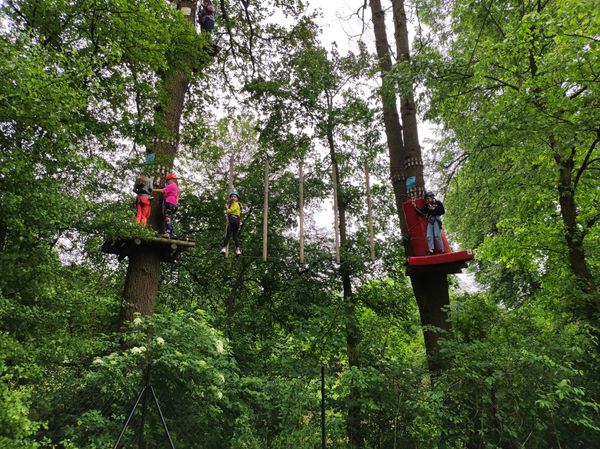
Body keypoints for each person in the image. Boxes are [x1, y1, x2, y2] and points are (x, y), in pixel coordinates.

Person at [153, 173, 179, 238]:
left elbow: (163, 190)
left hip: (170, 202)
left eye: (167, 180)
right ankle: (173, 234)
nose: (167, 182)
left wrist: (153, 190)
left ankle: (168, 232)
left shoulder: (172, 185)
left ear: (171, 179)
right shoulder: (175, 186)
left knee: (168, 218)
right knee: (170, 218)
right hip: (174, 204)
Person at [221, 191, 241, 256]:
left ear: (237, 198)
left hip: (233, 219)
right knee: (235, 236)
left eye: (234, 197)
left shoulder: (235, 204)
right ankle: (238, 250)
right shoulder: (237, 204)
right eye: (232, 197)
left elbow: (231, 211)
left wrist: (228, 209)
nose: (233, 198)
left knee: (228, 235)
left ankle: (224, 248)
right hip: (237, 221)